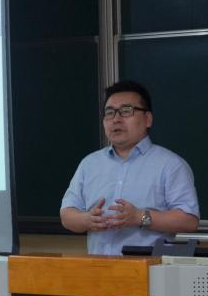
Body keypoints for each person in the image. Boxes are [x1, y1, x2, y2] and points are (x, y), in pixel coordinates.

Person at [60, 80, 199, 255]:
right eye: (109, 113)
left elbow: (189, 220)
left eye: (126, 111)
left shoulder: (171, 165)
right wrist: (87, 220)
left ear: (148, 119)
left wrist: (139, 217)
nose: (116, 119)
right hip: (97, 268)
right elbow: (67, 215)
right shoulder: (89, 164)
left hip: (150, 269)